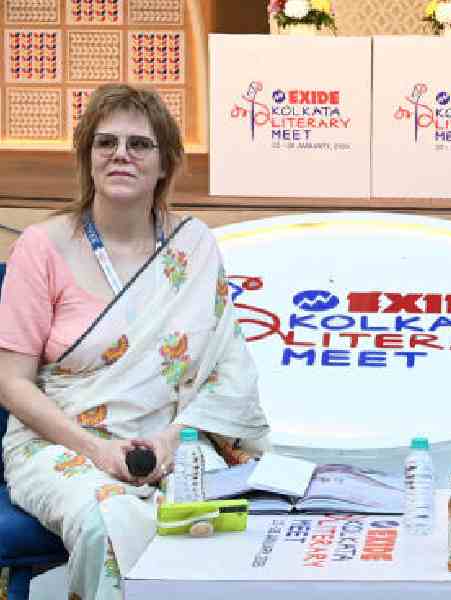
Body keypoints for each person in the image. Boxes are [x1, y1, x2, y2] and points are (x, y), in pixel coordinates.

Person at [0, 84, 269, 600]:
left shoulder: (192, 246)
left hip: (173, 440)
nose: (121, 154)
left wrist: (169, 444)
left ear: (164, 163)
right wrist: (97, 450)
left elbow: (226, 373)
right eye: (106, 143)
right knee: (111, 519)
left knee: (219, 512)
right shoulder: (43, 246)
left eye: (139, 144)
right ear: (88, 158)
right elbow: (11, 382)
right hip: (63, 443)